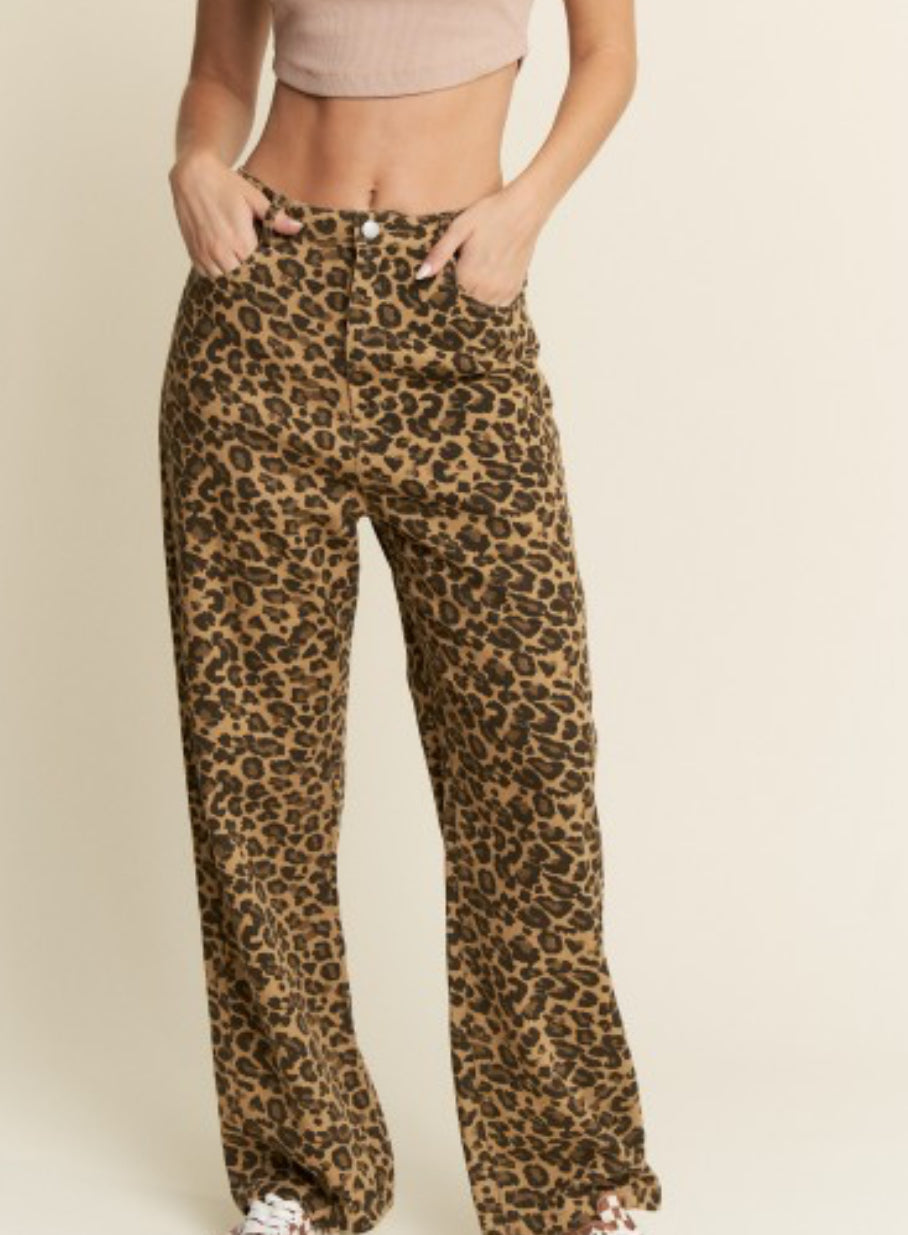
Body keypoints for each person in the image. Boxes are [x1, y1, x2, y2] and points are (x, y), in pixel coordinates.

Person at [157, 3, 663, 1234]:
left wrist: (525, 207)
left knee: (527, 762)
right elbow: (220, 73)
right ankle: (304, 1167)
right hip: (262, 319)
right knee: (258, 775)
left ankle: (561, 1168)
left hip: (456, 308)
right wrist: (196, 165)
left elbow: (608, 57)